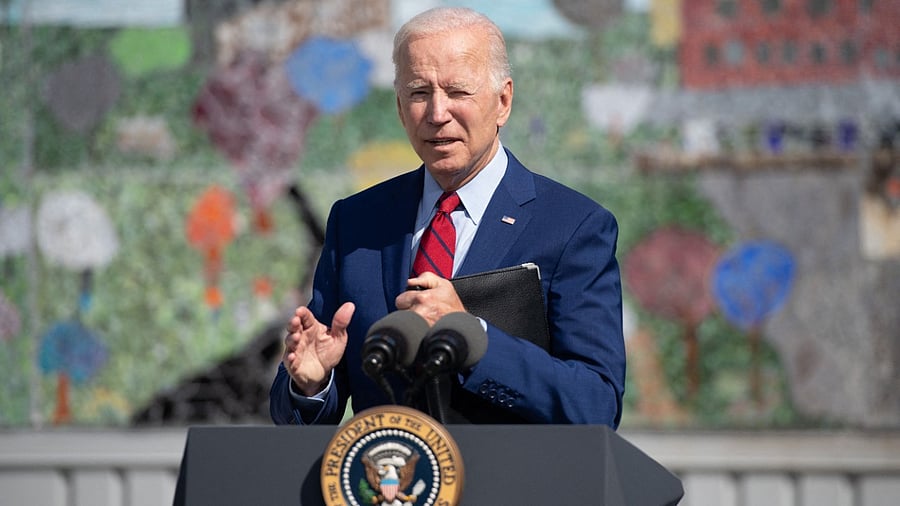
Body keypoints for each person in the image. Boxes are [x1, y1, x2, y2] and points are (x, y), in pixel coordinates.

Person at [270, 7, 625, 426]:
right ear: (400, 108)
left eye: (458, 92)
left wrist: (472, 337)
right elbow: (301, 409)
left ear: (503, 101)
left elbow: (596, 404)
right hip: (389, 483)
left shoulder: (572, 228)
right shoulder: (357, 223)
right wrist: (312, 384)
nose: (438, 113)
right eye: (419, 93)